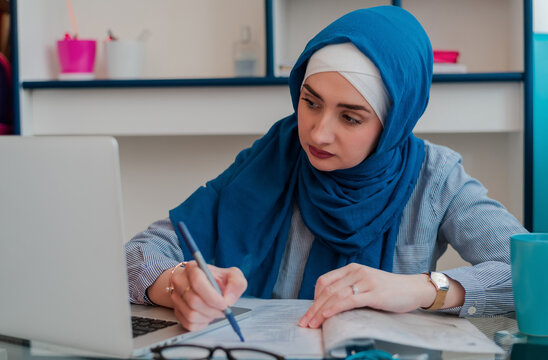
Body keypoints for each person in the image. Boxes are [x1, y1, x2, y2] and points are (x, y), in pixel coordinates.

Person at [125, 6, 525, 332]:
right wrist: (178, 284)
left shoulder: (435, 178)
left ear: (393, 122)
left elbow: (530, 274)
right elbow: (135, 256)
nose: (318, 133)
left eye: (350, 118)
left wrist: (420, 289)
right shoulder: (272, 158)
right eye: (310, 102)